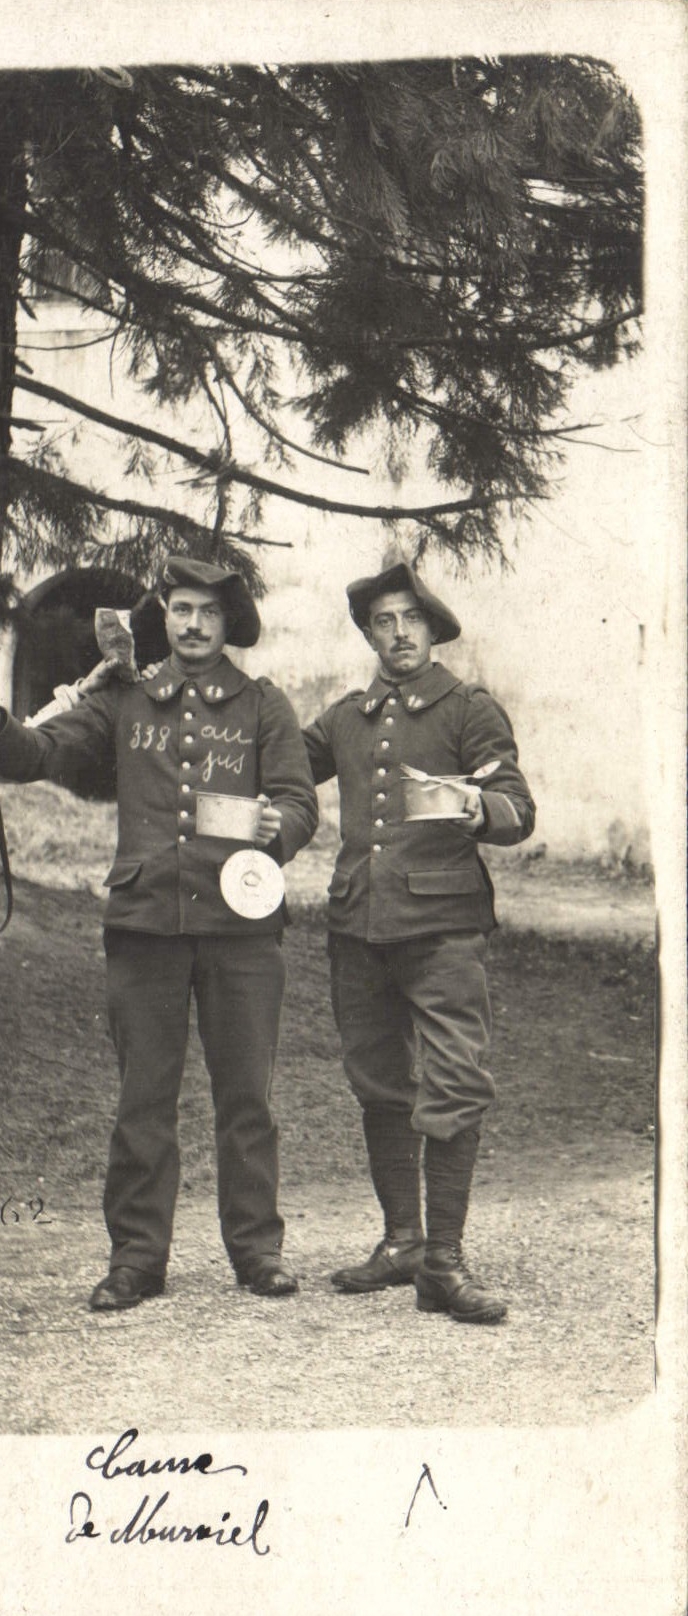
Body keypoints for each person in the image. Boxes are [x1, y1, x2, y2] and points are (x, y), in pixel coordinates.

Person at [0, 557, 319, 1310]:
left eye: (207, 612)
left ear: (230, 625)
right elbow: (46, 750)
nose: (191, 624)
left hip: (242, 931)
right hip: (146, 926)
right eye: (179, 609)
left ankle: (258, 1251)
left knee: (247, 1100)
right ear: (162, 617)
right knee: (143, 1098)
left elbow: (299, 802)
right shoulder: (126, 701)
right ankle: (136, 1258)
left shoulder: (264, 706)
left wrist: (277, 826)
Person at [302, 561, 536, 1324]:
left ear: (432, 628)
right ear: (368, 633)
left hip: (443, 931)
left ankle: (444, 1261)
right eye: (382, 622)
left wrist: (478, 808)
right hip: (357, 927)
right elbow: (279, 767)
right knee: (377, 1084)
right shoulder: (346, 716)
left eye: (410, 619)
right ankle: (402, 1241)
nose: (397, 633)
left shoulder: (468, 709)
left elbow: (516, 804)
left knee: (455, 1082)